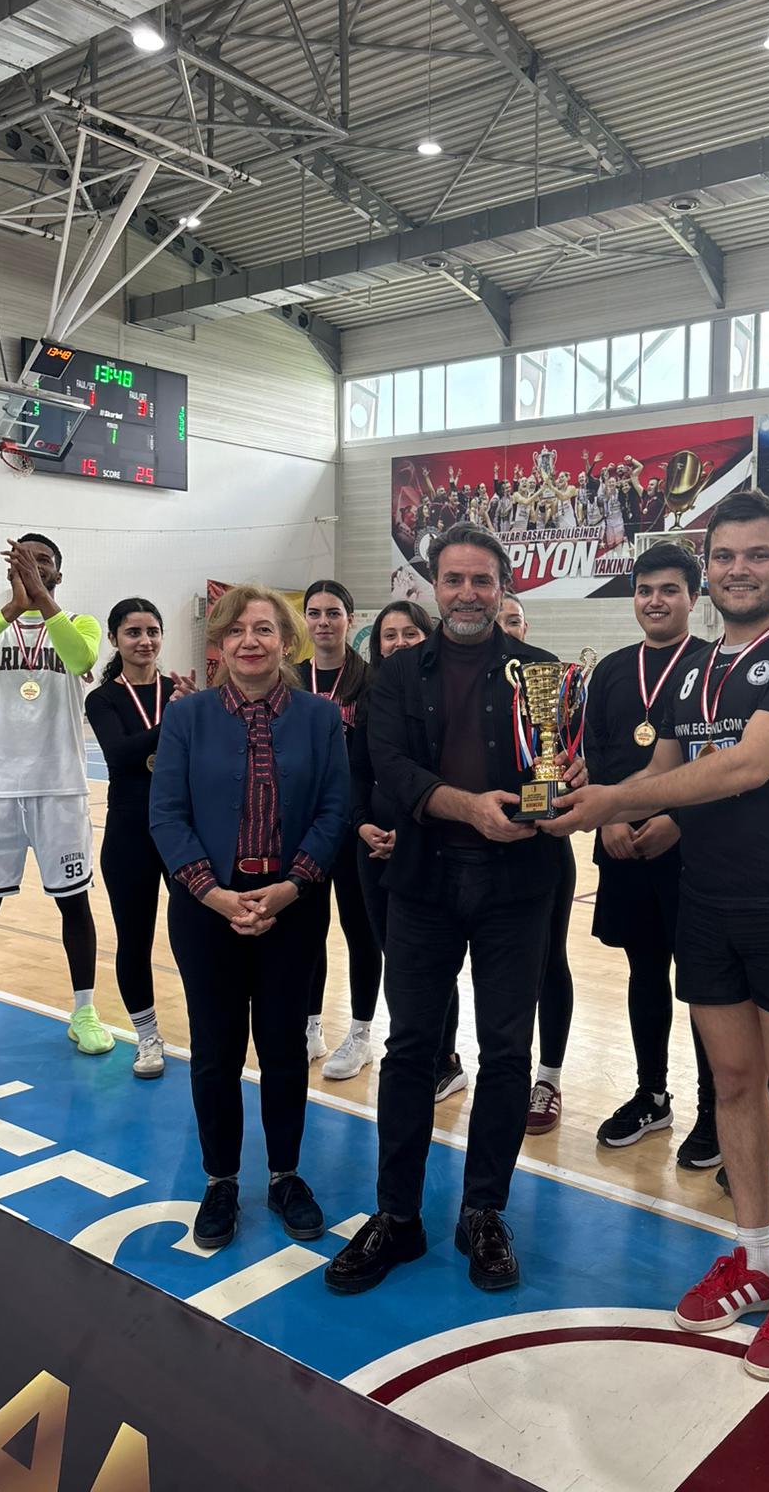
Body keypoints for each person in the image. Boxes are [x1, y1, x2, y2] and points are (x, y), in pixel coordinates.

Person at [545, 490, 769, 1383]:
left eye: (757, 556)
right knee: (734, 1086)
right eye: (724, 557)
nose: (738, 571)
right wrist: (601, 805)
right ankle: (754, 1258)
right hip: (708, 904)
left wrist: (616, 799)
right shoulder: (692, 672)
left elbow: (747, 766)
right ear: (707, 569)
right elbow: (669, 771)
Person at [325, 524, 579, 1298]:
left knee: (505, 1052)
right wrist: (469, 808)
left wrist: (562, 787)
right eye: (454, 580)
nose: (468, 593)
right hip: (423, 882)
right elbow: (390, 768)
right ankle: (397, 1216)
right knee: (409, 1049)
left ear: (503, 587)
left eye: (482, 580)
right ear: (433, 587)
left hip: (517, 885)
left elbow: (552, 768)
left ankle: (483, 1212)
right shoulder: (399, 674)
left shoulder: (542, 673)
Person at [149, 584, 349, 1251]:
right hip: (207, 910)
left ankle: (285, 1175)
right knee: (215, 1050)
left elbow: (334, 811)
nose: (250, 641)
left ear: (287, 641)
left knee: (285, 1049)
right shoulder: (187, 716)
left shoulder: (320, 717)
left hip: (293, 908)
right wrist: (213, 893)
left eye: (263, 629)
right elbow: (166, 815)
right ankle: (221, 1180)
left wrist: (292, 886)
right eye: (236, 630)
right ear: (220, 644)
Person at [0, 534, 115, 1072]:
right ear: (9, 568)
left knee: (74, 903)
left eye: (45, 561)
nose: (35, 565)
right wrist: (14, 606)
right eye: (26, 558)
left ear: (58, 575)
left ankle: (84, 1013)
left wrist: (40, 599)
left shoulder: (79, 623)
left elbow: (82, 657)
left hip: (59, 787)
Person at [581, 543, 717, 1164]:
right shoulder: (610, 670)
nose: (655, 601)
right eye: (644, 590)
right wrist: (609, 817)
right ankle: (652, 1095)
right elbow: (595, 756)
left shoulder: (712, 665)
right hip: (622, 846)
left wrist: (679, 821)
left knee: (707, 984)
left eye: (668, 590)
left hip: (693, 850)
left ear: (693, 596)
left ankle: (715, 1108)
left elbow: (720, 759)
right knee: (644, 973)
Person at [341, 602, 465, 1096]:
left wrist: (410, 834)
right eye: (388, 635)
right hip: (373, 847)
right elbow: (357, 772)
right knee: (394, 954)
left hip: (430, 845)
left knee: (433, 958)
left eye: (409, 633)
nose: (398, 643)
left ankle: (446, 1058)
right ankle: (413, 1050)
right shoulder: (371, 698)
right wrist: (362, 824)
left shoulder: (449, 695)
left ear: (428, 637)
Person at [85, 599, 198, 1078]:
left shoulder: (180, 691)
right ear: (114, 639)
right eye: (133, 632)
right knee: (134, 939)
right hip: (130, 831)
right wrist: (175, 719)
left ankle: (207, 1028)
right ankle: (147, 1037)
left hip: (184, 829)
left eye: (153, 631)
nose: (145, 641)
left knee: (196, 934)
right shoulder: (102, 699)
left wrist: (198, 711)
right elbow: (120, 755)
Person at [487, 594, 579, 1138]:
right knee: (495, 970)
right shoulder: (462, 682)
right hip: (476, 846)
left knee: (549, 961)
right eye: (500, 619)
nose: (507, 628)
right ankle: (500, 1072)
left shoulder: (552, 679)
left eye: (515, 619)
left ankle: (548, 1078)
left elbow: (579, 751)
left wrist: (576, 771)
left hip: (543, 844)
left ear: (527, 626)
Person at [301, 580, 381, 1079]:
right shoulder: (290, 678)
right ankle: (310, 1027)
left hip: (354, 823)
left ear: (350, 619)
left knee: (359, 929)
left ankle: (361, 1034)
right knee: (308, 928)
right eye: (315, 613)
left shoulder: (370, 680)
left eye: (333, 612)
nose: (324, 622)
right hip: (304, 825)